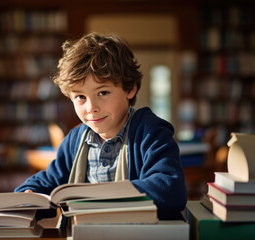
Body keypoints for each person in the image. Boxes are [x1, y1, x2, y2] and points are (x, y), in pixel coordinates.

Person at [15, 32, 187, 220]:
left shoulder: (150, 132)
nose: (91, 108)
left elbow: (171, 191)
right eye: (80, 97)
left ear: (130, 89)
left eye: (103, 92)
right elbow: (49, 182)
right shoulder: (75, 140)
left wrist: (104, 193)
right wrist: (29, 193)